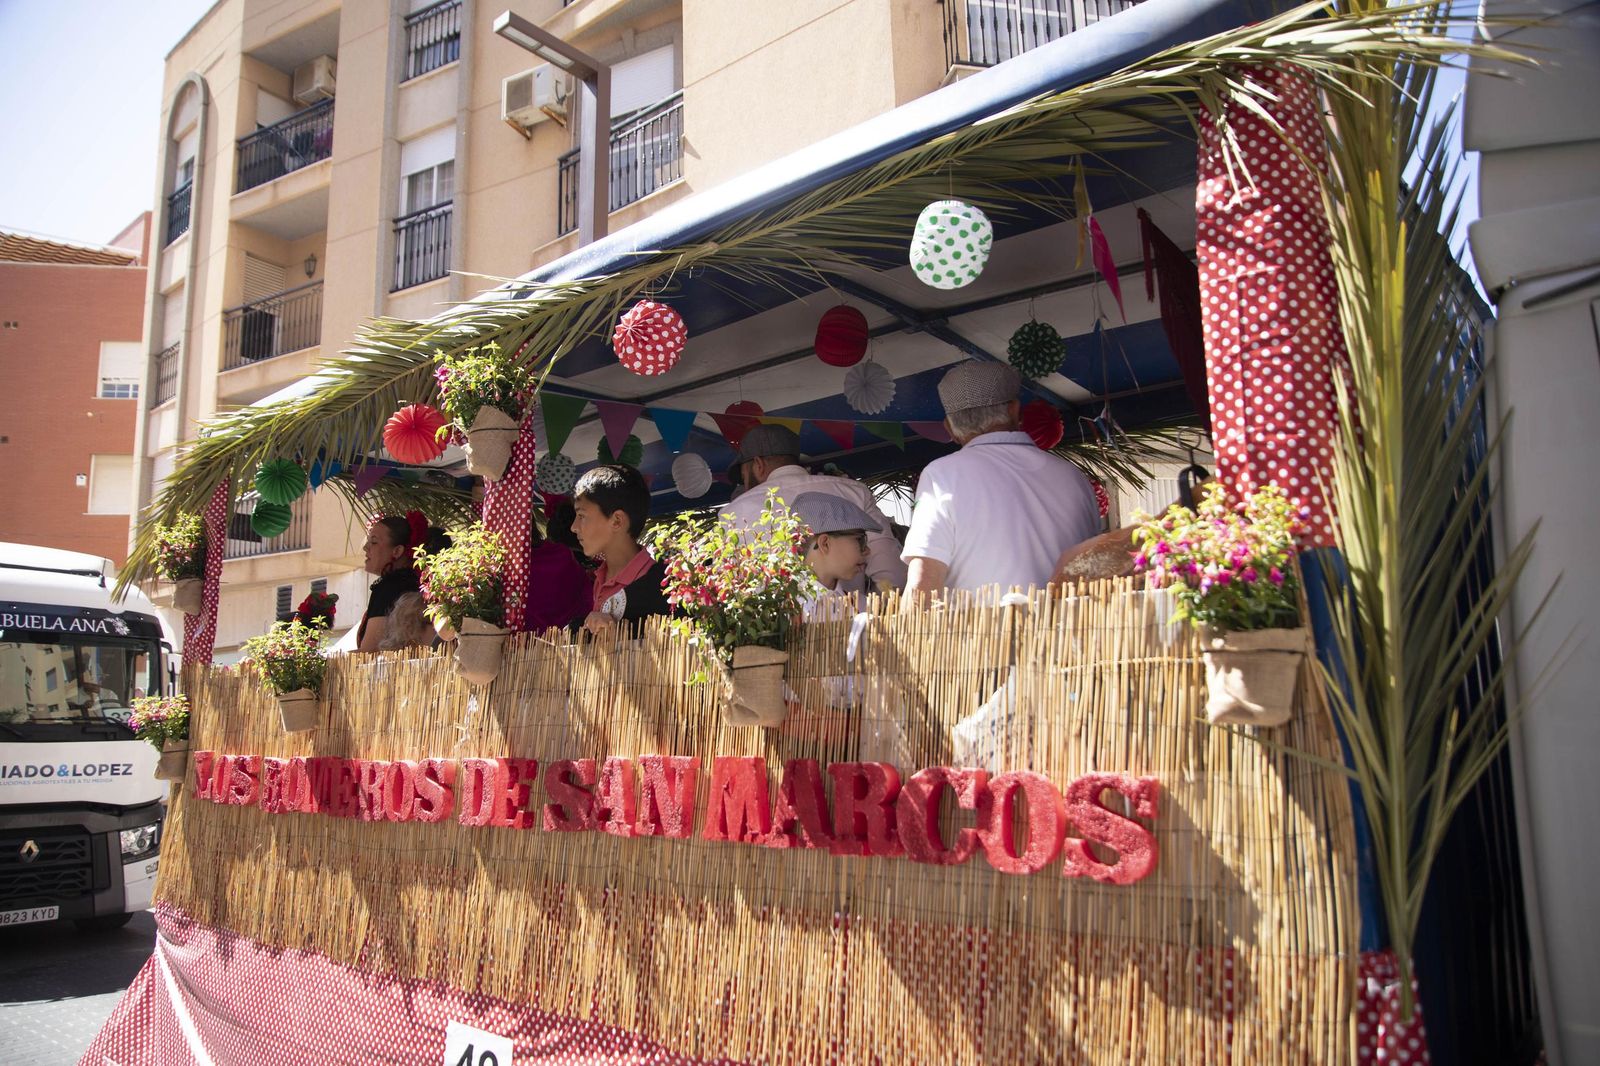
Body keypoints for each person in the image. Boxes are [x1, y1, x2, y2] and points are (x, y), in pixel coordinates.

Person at [901, 362, 1100, 606]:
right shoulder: (1072, 476)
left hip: (985, 640)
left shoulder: (942, 474)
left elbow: (924, 580)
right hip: (1071, 635)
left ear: (949, 428)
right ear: (1016, 412)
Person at [721, 424, 907, 591]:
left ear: (758, 465)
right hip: (850, 619)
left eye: (744, 477)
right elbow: (888, 564)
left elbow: (733, 585)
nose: (745, 485)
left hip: (773, 627)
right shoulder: (854, 491)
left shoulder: (732, 514)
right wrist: (883, 604)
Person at [569, 464, 672, 636]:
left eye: (581, 516)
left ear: (617, 521)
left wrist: (618, 632)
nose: (574, 527)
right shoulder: (600, 579)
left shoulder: (663, 586)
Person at [789, 492, 875, 617]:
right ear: (825, 544)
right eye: (860, 540)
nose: (867, 550)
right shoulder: (783, 606)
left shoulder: (861, 606)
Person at [358, 512, 429, 652]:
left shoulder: (390, 587)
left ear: (397, 551)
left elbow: (369, 651)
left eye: (374, 542)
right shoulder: (418, 583)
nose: (366, 547)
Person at [524, 509, 592, 633]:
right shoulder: (562, 553)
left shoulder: (561, 555)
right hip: (570, 639)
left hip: (531, 644)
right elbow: (586, 595)